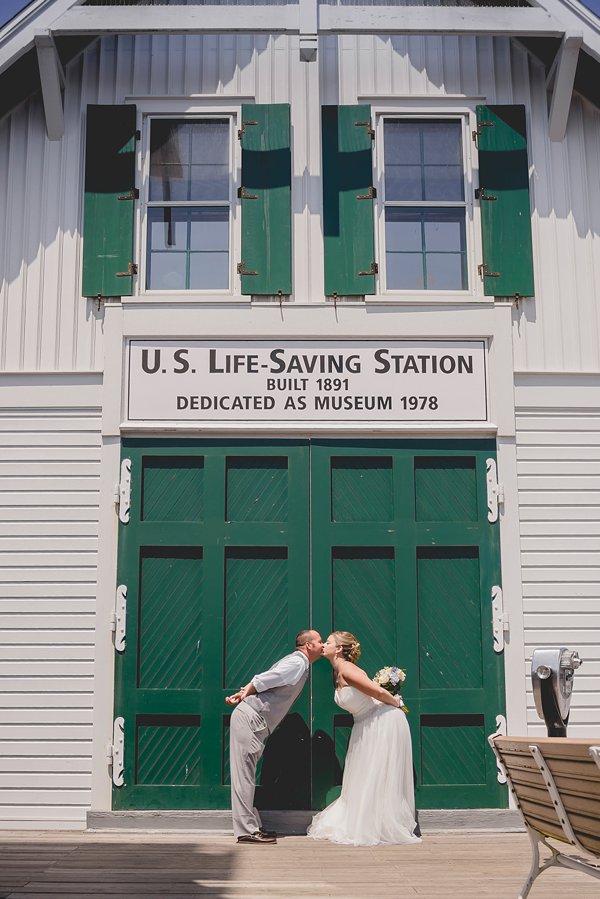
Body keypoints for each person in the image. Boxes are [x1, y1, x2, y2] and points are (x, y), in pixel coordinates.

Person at [307, 631, 421, 846]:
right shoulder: (338, 670)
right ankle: (367, 821)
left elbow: (377, 692)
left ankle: (379, 825)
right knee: (367, 773)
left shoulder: (347, 669)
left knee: (376, 773)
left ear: (338, 649)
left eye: (328, 642)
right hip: (365, 723)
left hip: (382, 721)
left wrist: (396, 702)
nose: (323, 645)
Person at [225, 629, 324, 844]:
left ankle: (251, 826)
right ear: (308, 645)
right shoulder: (297, 663)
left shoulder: (298, 663)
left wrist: (244, 692)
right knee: (244, 777)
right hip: (251, 718)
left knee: (246, 776)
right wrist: (246, 691)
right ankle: (246, 831)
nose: (323, 645)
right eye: (319, 641)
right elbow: (267, 678)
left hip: (254, 720)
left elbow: (268, 681)